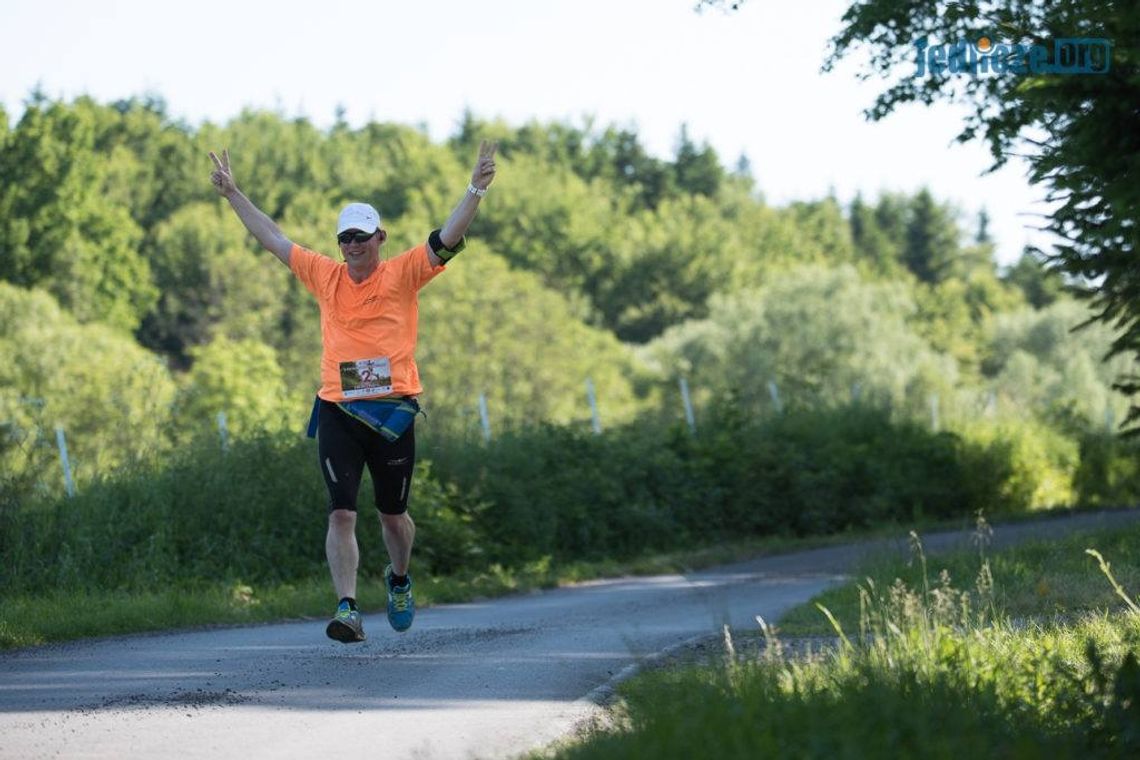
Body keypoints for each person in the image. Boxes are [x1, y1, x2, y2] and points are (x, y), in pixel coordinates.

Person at [208, 140, 497, 643]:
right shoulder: (325, 276)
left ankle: (400, 579)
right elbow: (273, 237)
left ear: (379, 237)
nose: (351, 245)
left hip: (391, 414)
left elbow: (448, 236)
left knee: (393, 517)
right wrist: (234, 194)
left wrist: (475, 187)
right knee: (341, 511)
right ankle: (347, 608)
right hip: (338, 410)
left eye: (360, 237)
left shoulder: (403, 273)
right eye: (345, 238)